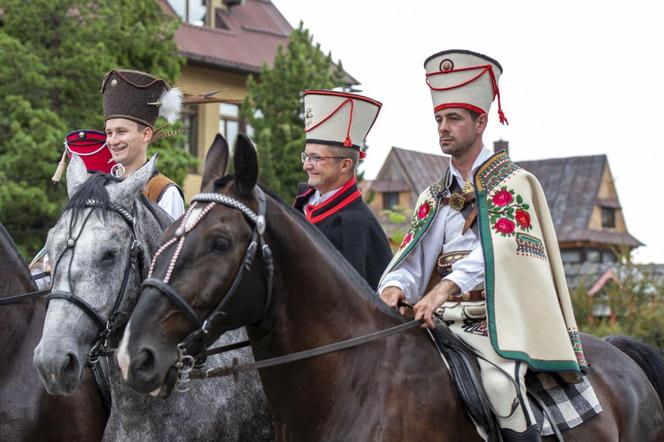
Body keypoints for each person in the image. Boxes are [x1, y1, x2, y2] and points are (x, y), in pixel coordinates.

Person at [378, 50, 587, 442]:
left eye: (453, 118)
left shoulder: (514, 183)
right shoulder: (432, 196)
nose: (443, 127)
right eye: (439, 119)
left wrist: (444, 288)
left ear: (481, 122)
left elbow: (501, 250)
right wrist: (396, 287)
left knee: (499, 385)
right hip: (438, 323)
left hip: (498, 321)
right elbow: (413, 258)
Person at [293, 90, 392, 290]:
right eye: (306, 157)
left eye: (316, 158)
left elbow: (352, 300)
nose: (306, 166)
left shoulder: (355, 223)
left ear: (346, 165)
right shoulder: (303, 202)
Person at [101, 69, 185, 220]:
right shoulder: (101, 188)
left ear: (146, 134)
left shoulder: (164, 191)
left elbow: (171, 244)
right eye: (109, 133)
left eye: (121, 132)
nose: (113, 141)